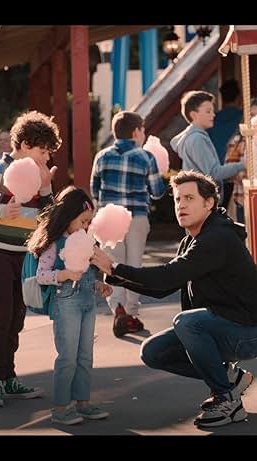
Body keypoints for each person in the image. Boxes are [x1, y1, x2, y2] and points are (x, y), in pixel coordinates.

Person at [91, 170, 257, 428]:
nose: (181, 205)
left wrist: (116, 268)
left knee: (187, 323)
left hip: (250, 330)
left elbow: (166, 277)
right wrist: (114, 277)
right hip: (221, 324)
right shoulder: (192, 239)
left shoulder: (218, 238)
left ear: (209, 203)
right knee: (154, 352)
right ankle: (229, 378)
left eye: (189, 198)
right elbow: (163, 288)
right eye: (178, 200)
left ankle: (227, 399)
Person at [0, 111, 61, 408]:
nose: (45, 157)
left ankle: (8, 377)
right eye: (41, 150)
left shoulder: (40, 178)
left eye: (48, 152)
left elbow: (50, 220)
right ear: (22, 144)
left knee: (16, 318)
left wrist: (46, 190)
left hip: (25, 256)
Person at [26, 186, 114, 425]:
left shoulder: (86, 241)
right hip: (66, 305)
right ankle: (60, 408)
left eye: (89, 222)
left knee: (86, 356)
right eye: (83, 221)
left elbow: (88, 274)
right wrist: (63, 274)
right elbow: (42, 275)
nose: (86, 227)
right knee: (68, 358)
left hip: (88, 303)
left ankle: (83, 403)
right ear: (68, 215)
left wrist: (99, 285)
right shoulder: (55, 244)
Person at [90, 110, 165, 337]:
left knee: (111, 264)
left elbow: (94, 189)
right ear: (135, 132)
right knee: (133, 265)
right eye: (142, 129)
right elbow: (158, 192)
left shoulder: (102, 156)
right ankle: (132, 313)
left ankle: (118, 308)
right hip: (137, 217)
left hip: (109, 216)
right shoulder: (145, 157)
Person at [171, 90, 244, 206]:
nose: (213, 115)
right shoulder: (197, 139)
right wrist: (242, 165)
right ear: (193, 115)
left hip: (199, 200)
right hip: (202, 202)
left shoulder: (194, 137)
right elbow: (214, 173)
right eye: (208, 111)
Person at [207, 79, 243, 208]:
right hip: (237, 171)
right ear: (239, 97)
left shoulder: (212, 120)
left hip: (217, 171)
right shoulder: (243, 118)